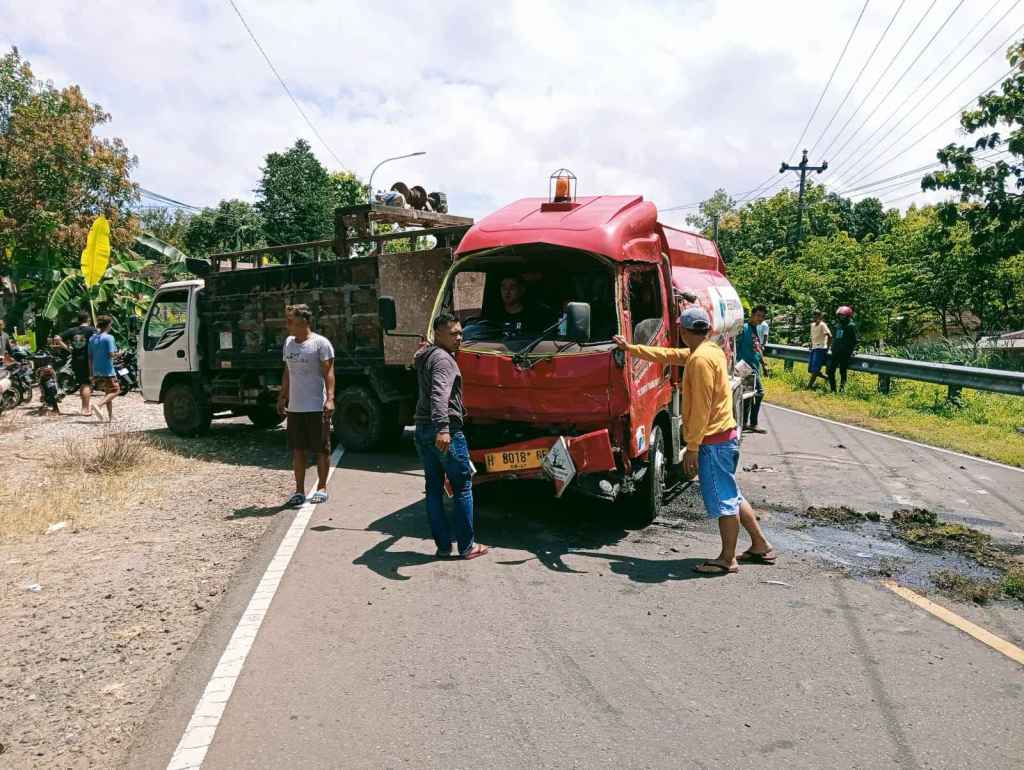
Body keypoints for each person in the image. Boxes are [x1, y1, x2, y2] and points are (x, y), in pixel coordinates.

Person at [613, 307, 775, 575]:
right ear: (708, 330)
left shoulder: (699, 361)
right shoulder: (710, 351)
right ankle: (760, 544)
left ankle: (727, 558)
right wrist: (631, 348)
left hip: (713, 440)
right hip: (726, 435)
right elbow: (669, 355)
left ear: (684, 332)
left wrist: (693, 448)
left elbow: (700, 408)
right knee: (731, 494)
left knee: (723, 500)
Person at [414, 312, 488, 560]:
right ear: (438, 334)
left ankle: (444, 547)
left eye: (461, 332)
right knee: (463, 487)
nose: (460, 337)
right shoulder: (444, 360)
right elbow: (439, 395)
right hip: (444, 431)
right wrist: (443, 429)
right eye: (454, 333)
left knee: (433, 489)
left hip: (423, 429)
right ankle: (467, 547)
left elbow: (418, 361)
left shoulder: (426, 355)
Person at [277, 304, 336, 507]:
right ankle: (299, 491)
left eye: (290, 320)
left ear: (303, 321)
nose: (287, 324)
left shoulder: (321, 343)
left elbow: (329, 373)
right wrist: (282, 396)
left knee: (321, 450)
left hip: (316, 406)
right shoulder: (289, 343)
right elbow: (288, 372)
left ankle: (322, 487)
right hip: (296, 408)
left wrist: (330, 398)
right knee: (298, 450)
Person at [52, 310, 97, 415]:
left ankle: (83, 406)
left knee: (82, 383)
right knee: (87, 383)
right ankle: (85, 409)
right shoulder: (92, 330)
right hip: (88, 359)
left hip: (75, 359)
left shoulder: (72, 330)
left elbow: (57, 338)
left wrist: (68, 349)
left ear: (78, 320)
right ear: (88, 319)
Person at [737, 305, 767, 434]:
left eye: (763, 316)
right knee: (759, 393)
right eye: (758, 315)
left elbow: (757, 348)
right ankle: (753, 423)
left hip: (754, 366)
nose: (760, 318)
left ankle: (744, 423)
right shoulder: (744, 328)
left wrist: (764, 364)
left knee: (749, 395)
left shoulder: (756, 329)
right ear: (752, 314)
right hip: (746, 367)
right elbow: (735, 346)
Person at [88, 315, 120, 421]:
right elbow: (111, 354)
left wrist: (91, 373)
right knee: (116, 390)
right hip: (108, 370)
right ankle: (98, 405)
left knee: (108, 391)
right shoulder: (109, 338)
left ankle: (110, 416)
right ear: (108, 325)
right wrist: (119, 354)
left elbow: (90, 357)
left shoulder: (92, 339)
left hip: (97, 369)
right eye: (111, 324)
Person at [827, 305, 858, 393]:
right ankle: (833, 389)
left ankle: (842, 389)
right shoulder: (838, 325)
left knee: (842, 371)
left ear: (848, 316)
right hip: (836, 351)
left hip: (845, 352)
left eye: (843, 315)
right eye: (840, 315)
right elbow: (835, 338)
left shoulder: (851, 326)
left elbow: (854, 340)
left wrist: (853, 350)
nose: (841, 317)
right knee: (830, 370)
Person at [806, 310, 832, 390]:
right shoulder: (812, 325)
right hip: (814, 348)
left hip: (820, 348)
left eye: (817, 316)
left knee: (815, 369)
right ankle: (827, 378)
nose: (815, 317)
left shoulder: (822, 325)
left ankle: (809, 386)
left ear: (820, 317)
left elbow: (830, 336)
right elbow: (812, 336)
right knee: (810, 369)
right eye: (814, 316)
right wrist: (811, 344)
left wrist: (827, 347)